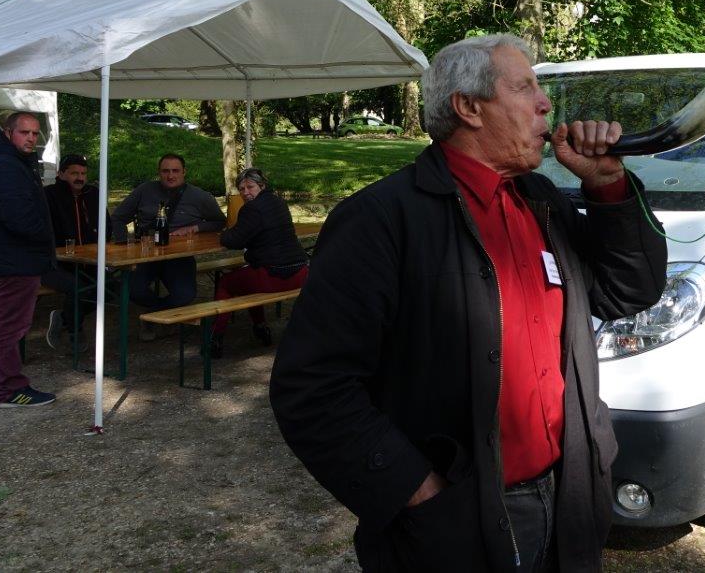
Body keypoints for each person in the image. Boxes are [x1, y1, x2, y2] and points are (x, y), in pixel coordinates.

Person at [270, 34, 667, 572]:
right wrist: (416, 490)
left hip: (570, 495)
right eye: (525, 87)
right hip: (457, 519)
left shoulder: (542, 202)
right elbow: (312, 386)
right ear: (468, 107)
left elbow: (629, 291)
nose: (545, 103)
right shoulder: (382, 220)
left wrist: (608, 186)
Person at [0, 112, 57, 407]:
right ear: (7, 133)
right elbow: (19, 217)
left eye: (35, 133)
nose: (31, 138)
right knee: (9, 326)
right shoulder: (5, 165)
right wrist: (44, 236)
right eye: (24, 132)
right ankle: (11, 388)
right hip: (13, 258)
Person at [111, 153, 225, 338]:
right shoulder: (144, 190)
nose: (170, 176)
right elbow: (117, 217)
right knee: (131, 289)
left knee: (186, 294)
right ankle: (163, 314)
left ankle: (152, 317)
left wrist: (194, 227)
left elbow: (219, 221)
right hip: (145, 255)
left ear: (184, 172)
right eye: (165, 171)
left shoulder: (200, 196)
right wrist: (124, 245)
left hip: (178, 257)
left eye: (175, 171)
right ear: (159, 172)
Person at [210, 168, 308, 359]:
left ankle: (215, 336)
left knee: (225, 283)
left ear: (261, 186)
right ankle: (260, 327)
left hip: (273, 276)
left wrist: (224, 234)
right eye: (241, 188)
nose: (246, 192)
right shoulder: (279, 202)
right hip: (300, 273)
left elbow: (234, 240)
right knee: (249, 277)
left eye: (250, 187)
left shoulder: (252, 209)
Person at [42, 154, 104, 350]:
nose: (80, 178)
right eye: (74, 173)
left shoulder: (94, 194)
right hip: (52, 262)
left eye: (83, 173)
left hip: (88, 260)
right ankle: (74, 331)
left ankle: (63, 317)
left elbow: (107, 226)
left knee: (112, 287)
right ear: (61, 174)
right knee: (79, 287)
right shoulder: (48, 195)